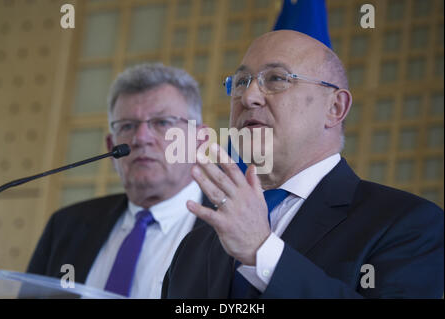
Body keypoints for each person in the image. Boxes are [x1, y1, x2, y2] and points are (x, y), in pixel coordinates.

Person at [161, 30, 444, 298]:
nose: (249, 97)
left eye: (275, 79)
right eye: (241, 82)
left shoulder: (409, 224)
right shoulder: (195, 246)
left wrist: (261, 250)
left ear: (334, 108)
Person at [27, 63, 212, 298]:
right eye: (127, 126)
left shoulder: (230, 234)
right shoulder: (65, 226)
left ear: (199, 141)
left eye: (162, 122)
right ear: (110, 147)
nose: (141, 138)